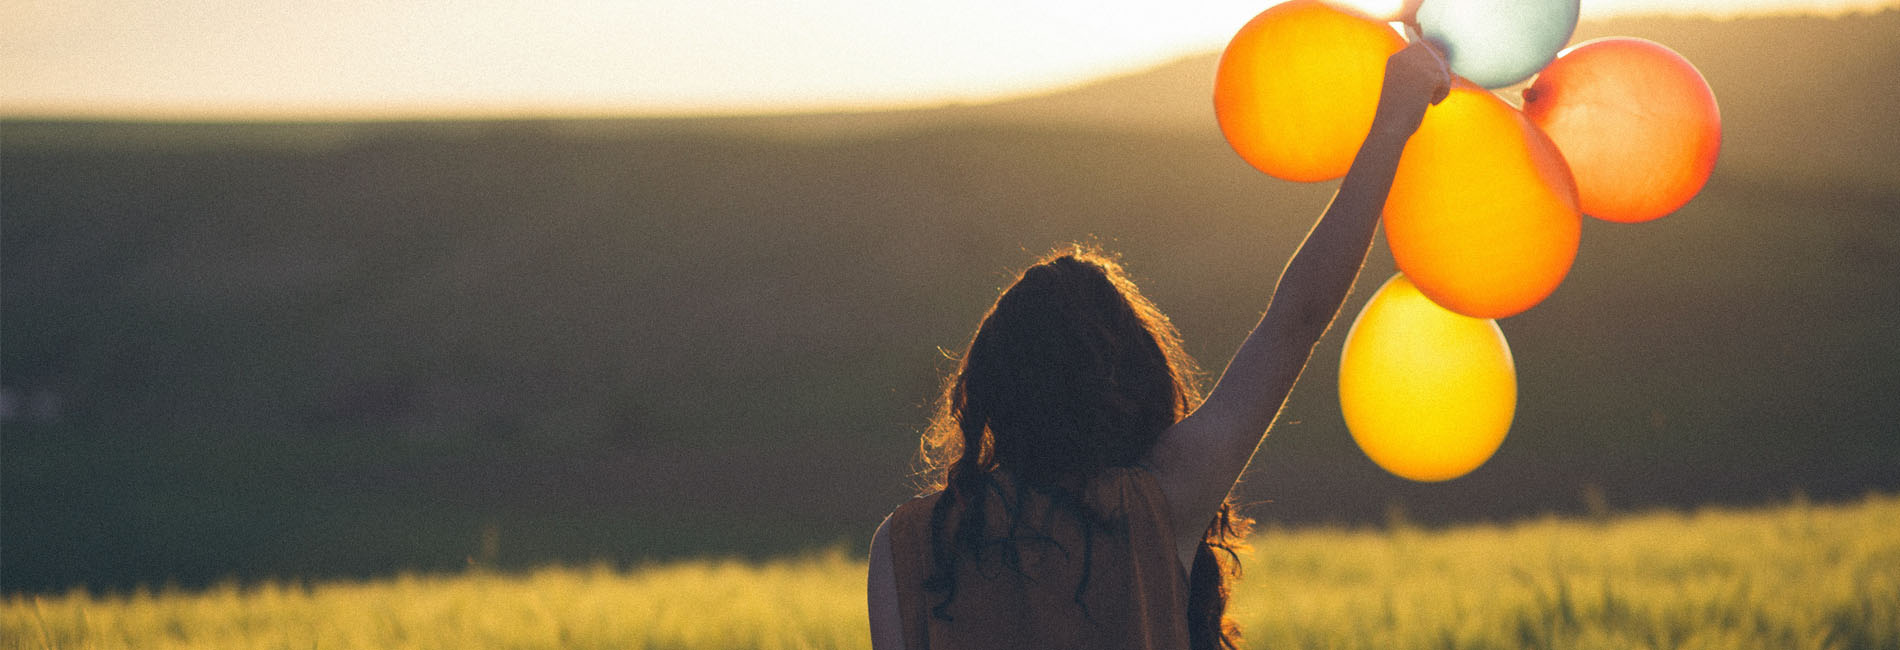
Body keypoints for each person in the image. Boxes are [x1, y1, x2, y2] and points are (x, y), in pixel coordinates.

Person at [867, 39, 1452, 650]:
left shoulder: (907, 544)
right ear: (1128, 382)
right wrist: (1393, 118)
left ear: (990, 386)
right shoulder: (1154, 504)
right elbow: (1295, 319)